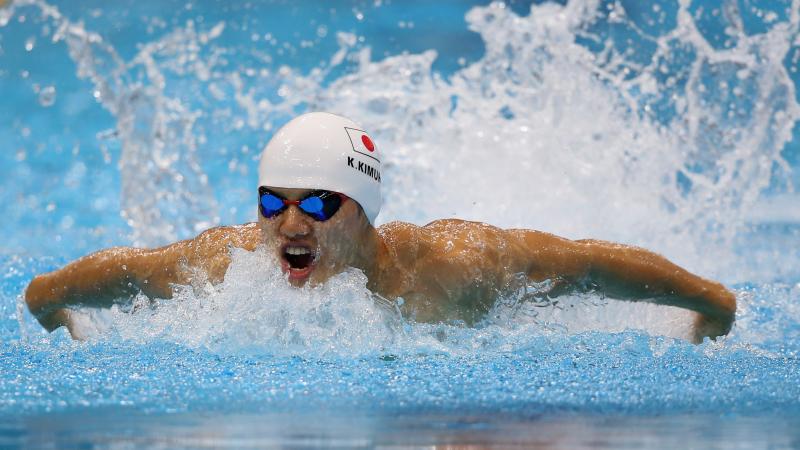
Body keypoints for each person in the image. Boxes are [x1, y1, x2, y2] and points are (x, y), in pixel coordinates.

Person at [25, 112, 736, 342]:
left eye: (317, 204)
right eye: (274, 203)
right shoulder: (229, 267)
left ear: (363, 210)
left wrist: (710, 304)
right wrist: (52, 307)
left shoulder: (456, 267)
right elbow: (118, 274)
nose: (290, 224)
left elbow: (586, 264)